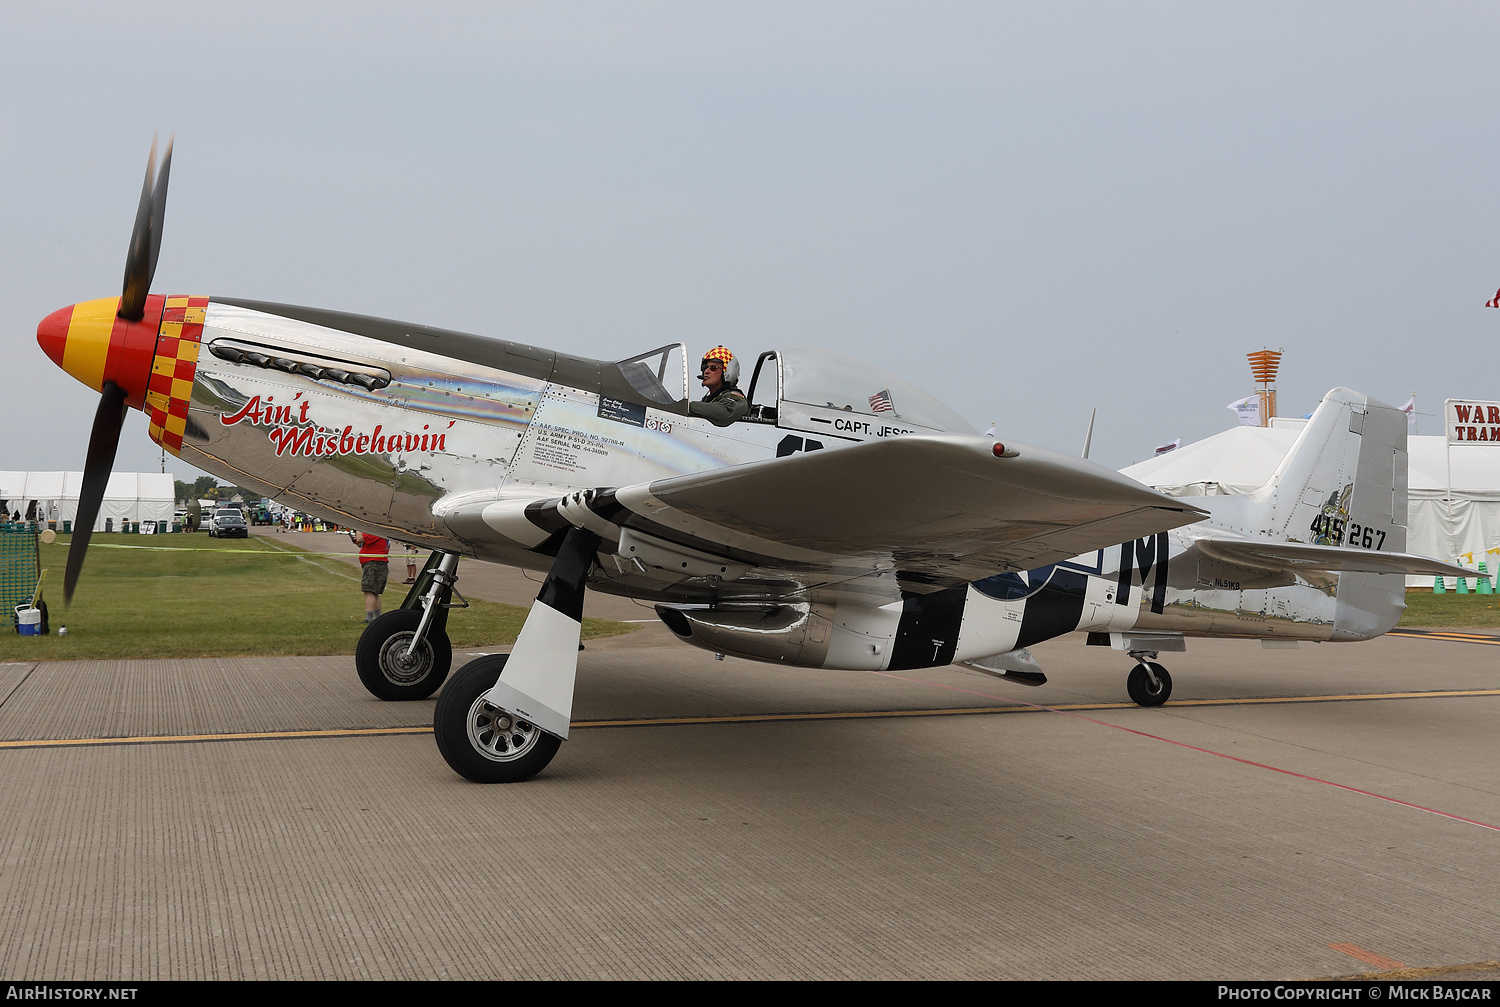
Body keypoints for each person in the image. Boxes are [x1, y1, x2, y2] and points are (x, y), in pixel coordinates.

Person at [687, 345, 749, 426]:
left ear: (727, 372)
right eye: (705, 367)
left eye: (713, 368)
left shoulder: (736, 398)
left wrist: (688, 406)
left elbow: (726, 412)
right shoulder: (709, 400)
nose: (706, 371)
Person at [351, 530, 390, 624]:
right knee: (374, 592)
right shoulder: (380, 532)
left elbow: (361, 538)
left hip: (374, 564)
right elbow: (361, 542)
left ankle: (370, 618)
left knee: (369, 591)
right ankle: (377, 618)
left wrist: (358, 528)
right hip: (377, 563)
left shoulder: (377, 531)